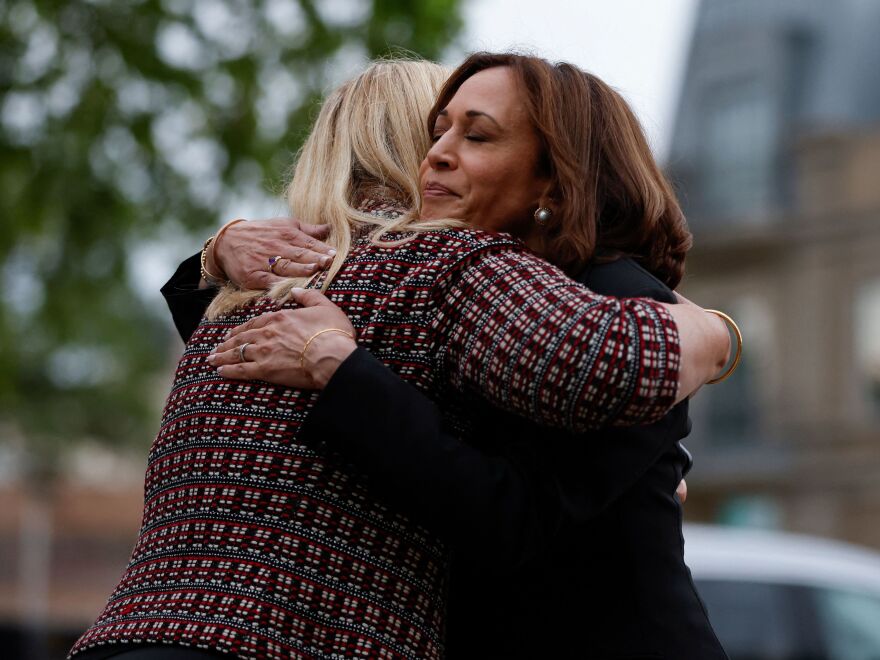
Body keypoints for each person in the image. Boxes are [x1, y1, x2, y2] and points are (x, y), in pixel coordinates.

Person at [72, 57, 729, 660]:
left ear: (551, 174)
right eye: (436, 130)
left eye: (475, 135)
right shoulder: (383, 276)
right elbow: (260, 378)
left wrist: (720, 335)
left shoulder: (599, 295)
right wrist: (217, 253)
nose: (439, 155)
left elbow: (513, 516)